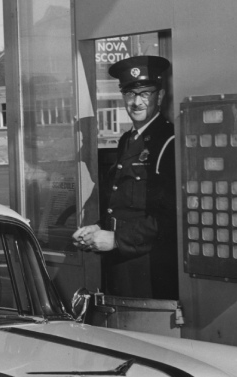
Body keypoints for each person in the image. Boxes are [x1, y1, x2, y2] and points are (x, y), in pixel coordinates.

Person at [72, 55, 178, 299]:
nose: (137, 102)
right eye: (130, 94)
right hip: (121, 265)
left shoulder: (168, 142)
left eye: (145, 94)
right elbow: (123, 205)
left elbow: (169, 217)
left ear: (159, 97)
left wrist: (117, 239)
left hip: (149, 269)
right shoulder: (127, 140)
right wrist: (97, 228)